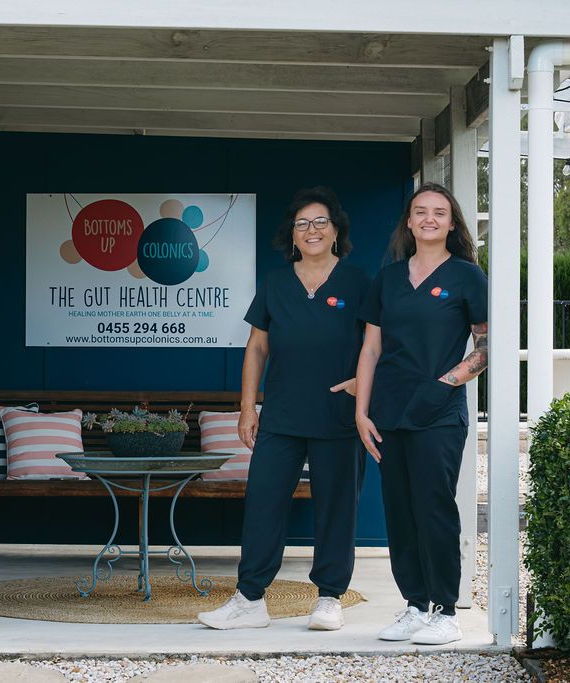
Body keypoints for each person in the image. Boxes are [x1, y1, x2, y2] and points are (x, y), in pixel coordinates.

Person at [198, 187, 369, 632]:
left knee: (336, 507)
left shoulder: (359, 283)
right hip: (282, 416)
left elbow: (380, 344)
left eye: (320, 223)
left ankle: (330, 597)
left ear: (336, 232)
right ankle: (250, 599)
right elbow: (256, 348)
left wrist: (362, 383)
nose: (311, 231)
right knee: (264, 502)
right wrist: (246, 407)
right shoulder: (275, 282)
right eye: (302, 224)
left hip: (338, 415)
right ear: (292, 235)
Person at [356, 182, 487, 646]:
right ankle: (415, 605)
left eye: (439, 212)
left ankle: (445, 611)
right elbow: (371, 348)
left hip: (438, 412)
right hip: (389, 411)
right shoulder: (388, 279)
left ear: (452, 224)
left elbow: (486, 346)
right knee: (400, 511)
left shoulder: (468, 276)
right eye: (420, 211)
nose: (429, 218)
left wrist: (444, 384)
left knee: (434, 509)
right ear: (408, 223)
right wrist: (361, 411)